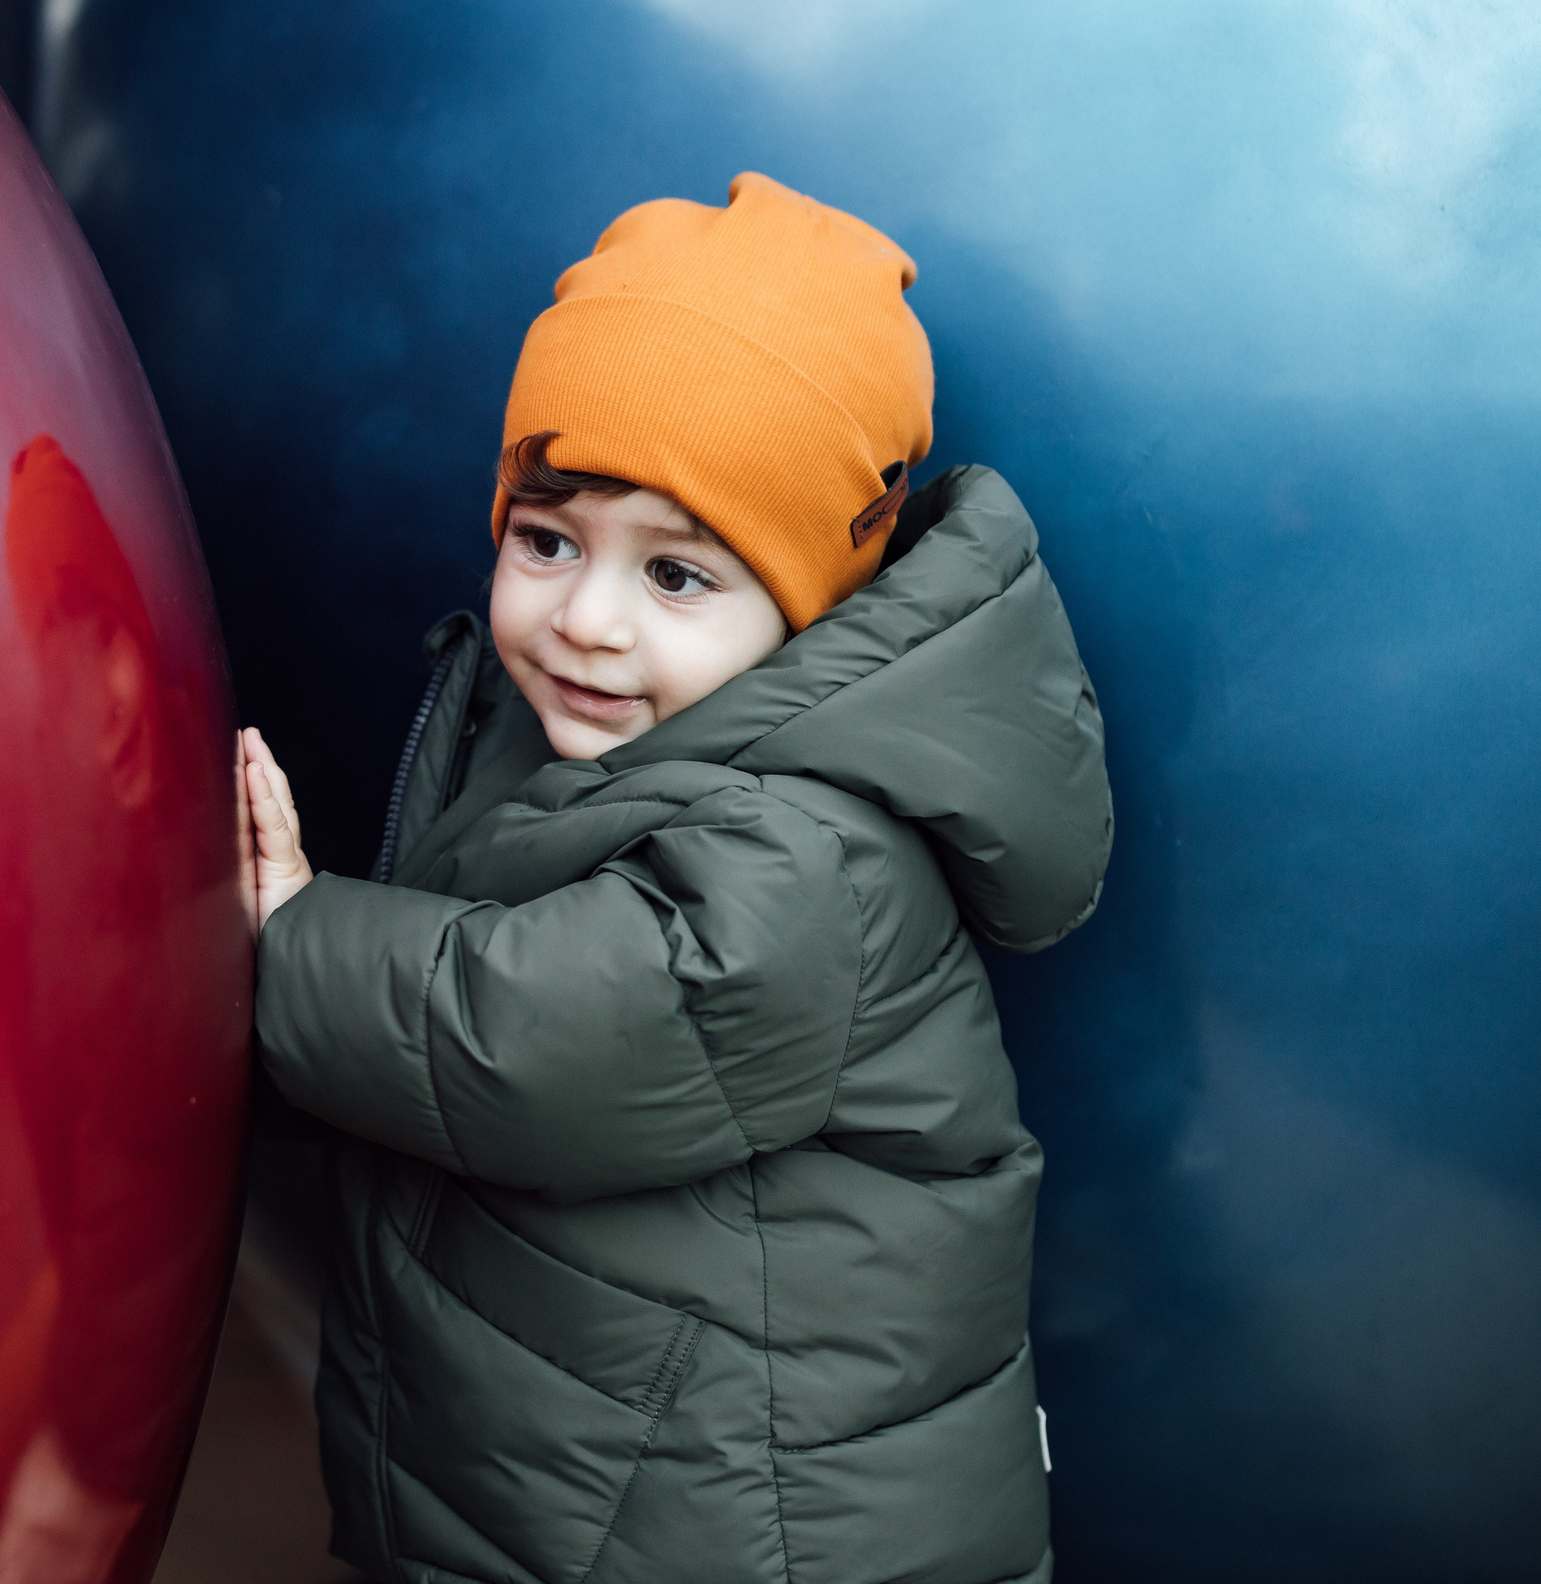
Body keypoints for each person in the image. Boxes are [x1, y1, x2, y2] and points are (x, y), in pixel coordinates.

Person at [237, 174, 1112, 1584]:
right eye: (548, 539)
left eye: (681, 576)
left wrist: (290, 941)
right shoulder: (593, 740)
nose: (585, 618)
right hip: (599, 1489)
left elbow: (534, 1042)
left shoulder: (813, 856)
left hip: (762, 1533)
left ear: (811, 606)